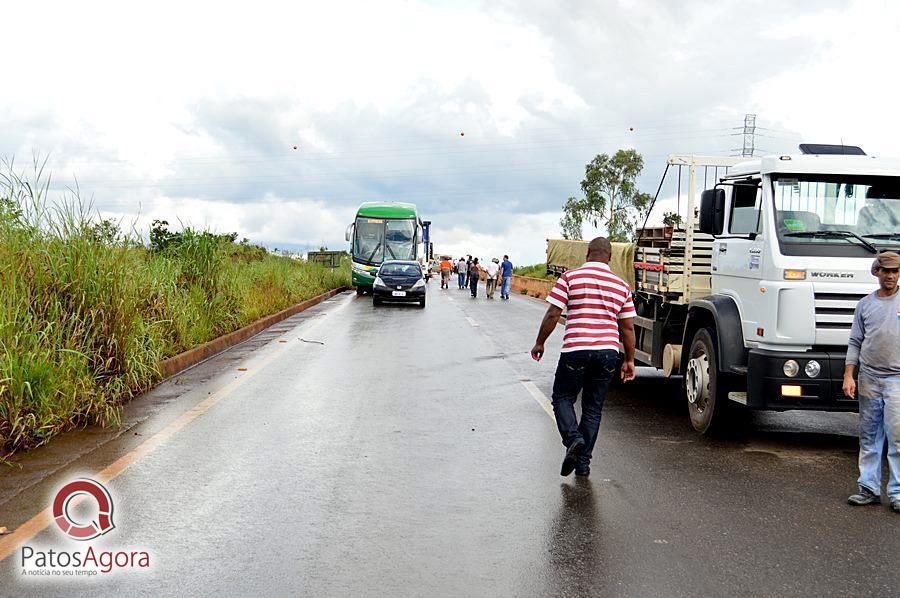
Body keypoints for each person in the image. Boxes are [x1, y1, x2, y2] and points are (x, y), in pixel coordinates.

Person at [530, 237, 636, 477]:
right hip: (608, 353)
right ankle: (583, 463)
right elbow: (628, 328)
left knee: (562, 397)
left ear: (587, 253)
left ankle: (573, 438)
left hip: (576, 350)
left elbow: (553, 313)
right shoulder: (622, 286)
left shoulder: (570, 278)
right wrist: (629, 360)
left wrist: (540, 343)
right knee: (593, 408)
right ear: (609, 257)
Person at [844, 251, 900, 513]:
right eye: (885, 271)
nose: (890, 276)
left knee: (897, 438)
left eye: (895, 271)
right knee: (868, 436)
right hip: (869, 378)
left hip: (896, 379)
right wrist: (848, 375)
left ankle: (897, 492)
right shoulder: (865, 305)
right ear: (876, 272)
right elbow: (855, 341)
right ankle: (868, 488)